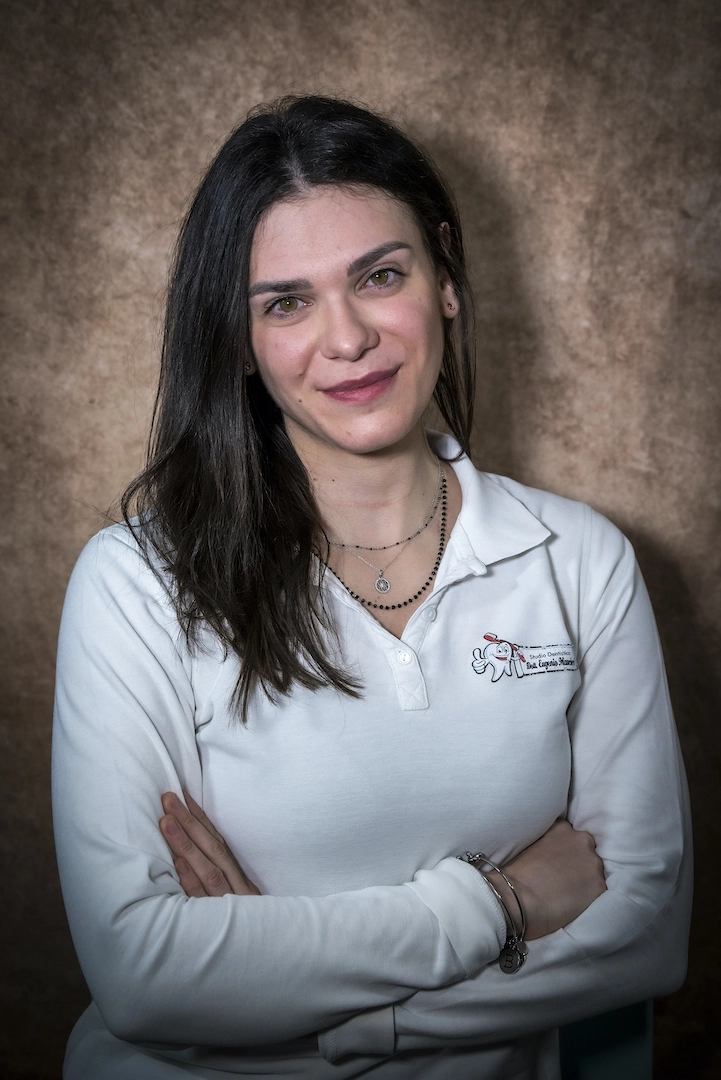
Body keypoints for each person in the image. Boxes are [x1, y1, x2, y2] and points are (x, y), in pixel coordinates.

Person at [52, 96, 692, 1080]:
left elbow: (644, 938)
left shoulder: (579, 561)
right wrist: (500, 906)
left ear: (444, 277)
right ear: (239, 336)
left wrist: (330, 1011)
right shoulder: (138, 582)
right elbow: (143, 975)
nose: (346, 339)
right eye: (286, 303)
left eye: (379, 276)